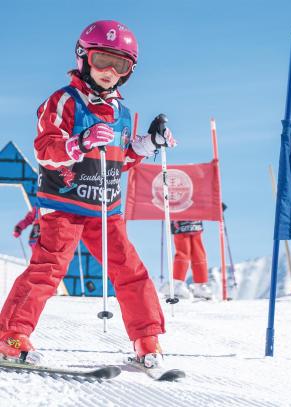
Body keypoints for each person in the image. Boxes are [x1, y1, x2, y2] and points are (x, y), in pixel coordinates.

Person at [0, 20, 176, 367]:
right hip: (64, 204)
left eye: (120, 65)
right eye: (101, 61)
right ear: (83, 58)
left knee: (131, 271)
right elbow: (44, 150)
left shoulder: (122, 114)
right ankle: (11, 335)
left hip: (105, 208)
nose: (110, 72)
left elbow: (117, 161)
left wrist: (145, 144)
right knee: (48, 269)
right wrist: (78, 142)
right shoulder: (63, 101)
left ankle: (146, 340)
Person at [165, 220, 212, 299]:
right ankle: (177, 283)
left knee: (198, 253)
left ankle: (200, 285)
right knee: (183, 251)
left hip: (195, 219)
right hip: (180, 218)